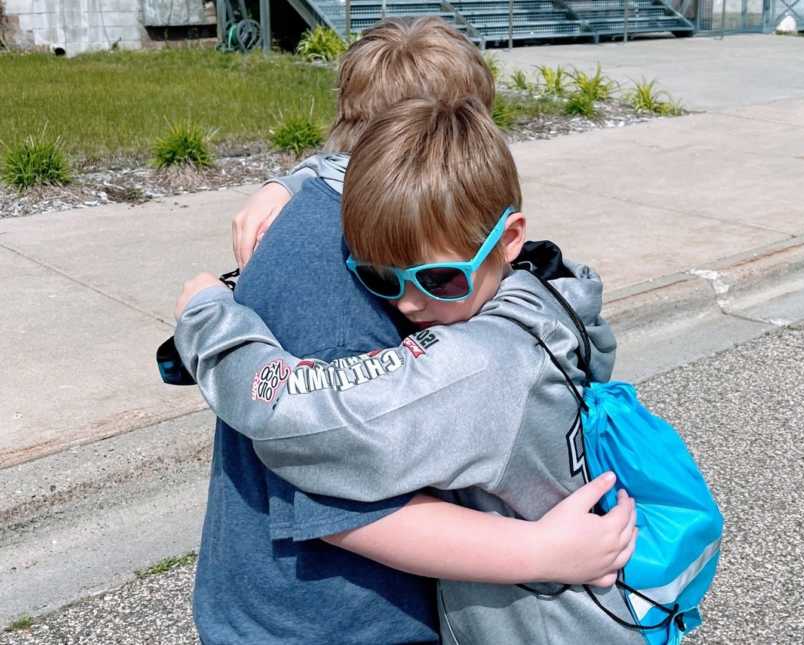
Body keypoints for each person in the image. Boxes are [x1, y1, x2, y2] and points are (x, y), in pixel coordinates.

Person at [186, 17, 635, 645]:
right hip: (332, 622)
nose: (410, 298)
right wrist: (541, 552)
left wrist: (290, 179)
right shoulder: (341, 288)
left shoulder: (375, 235)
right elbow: (348, 512)